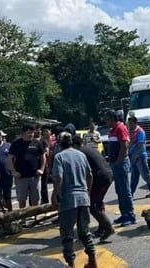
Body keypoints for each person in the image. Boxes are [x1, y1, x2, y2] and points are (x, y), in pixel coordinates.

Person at [51, 132, 97, 268]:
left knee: (67, 235)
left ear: (59, 144)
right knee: (85, 232)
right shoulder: (81, 155)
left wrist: (54, 195)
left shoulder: (59, 157)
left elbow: (58, 178)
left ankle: (71, 264)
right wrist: (87, 192)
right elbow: (90, 174)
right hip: (83, 198)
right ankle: (93, 261)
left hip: (68, 200)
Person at [72, 134, 115, 241]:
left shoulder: (79, 153)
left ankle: (108, 228)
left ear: (74, 144)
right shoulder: (89, 149)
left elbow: (85, 172)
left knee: (91, 205)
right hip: (108, 174)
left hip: (100, 177)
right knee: (98, 202)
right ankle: (102, 228)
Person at [105, 110, 136, 227]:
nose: (106, 121)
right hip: (114, 163)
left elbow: (124, 146)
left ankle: (130, 215)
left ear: (113, 118)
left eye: (107, 119)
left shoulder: (120, 128)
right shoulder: (112, 130)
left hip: (121, 163)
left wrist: (118, 162)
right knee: (119, 190)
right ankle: (124, 214)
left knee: (124, 190)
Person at [8, 124, 45, 208]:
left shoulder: (37, 143)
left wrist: (42, 169)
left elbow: (43, 157)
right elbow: (10, 159)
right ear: (23, 133)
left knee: (35, 199)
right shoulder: (16, 144)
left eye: (32, 132)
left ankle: (35, 217)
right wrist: (13, 172)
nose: (31, 134)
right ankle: (23, 219)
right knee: (22, 200)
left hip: (34, 176)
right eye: (29, 133)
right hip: (21, 176)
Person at [127, 116, 150, 198]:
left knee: (146, 175)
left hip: (140, 157)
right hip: (134, 157)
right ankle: (130, 193)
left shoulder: (140, 132)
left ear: (135, 123)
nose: (129, 125)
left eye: (130, 123)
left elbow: (140, 145)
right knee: (134, 177)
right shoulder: (133, 132)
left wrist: (135, 156)